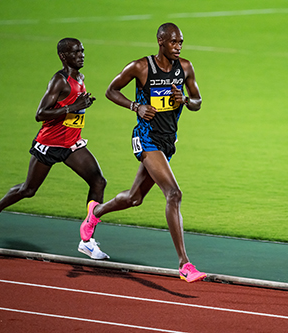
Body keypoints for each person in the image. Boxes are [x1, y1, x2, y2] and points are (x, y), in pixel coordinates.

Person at [79, 23, 206, 282]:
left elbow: (198, 102)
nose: (178, 46)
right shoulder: (141, 67)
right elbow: (110, 90)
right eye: (173, 42)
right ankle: (185, 264)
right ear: (160, 41)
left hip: (168, 140)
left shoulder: (186, 68)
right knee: (174, 193)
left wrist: (184, 100)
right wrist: (135, 106)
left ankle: (96, 213)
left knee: (134, 198)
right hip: (147, 139)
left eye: (181, 42)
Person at [0, 38, 109, 260]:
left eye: (82, 51)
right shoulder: (59, 81)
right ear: (63, 56)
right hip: (49, 144)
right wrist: (73, 107)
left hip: (71, 144)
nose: (81, 55)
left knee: (98, 181)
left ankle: (87, 241)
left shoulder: (80, 77)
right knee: (29, 190)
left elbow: (71, 110)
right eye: (76, 52)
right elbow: (40, 114)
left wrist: (82, 106)